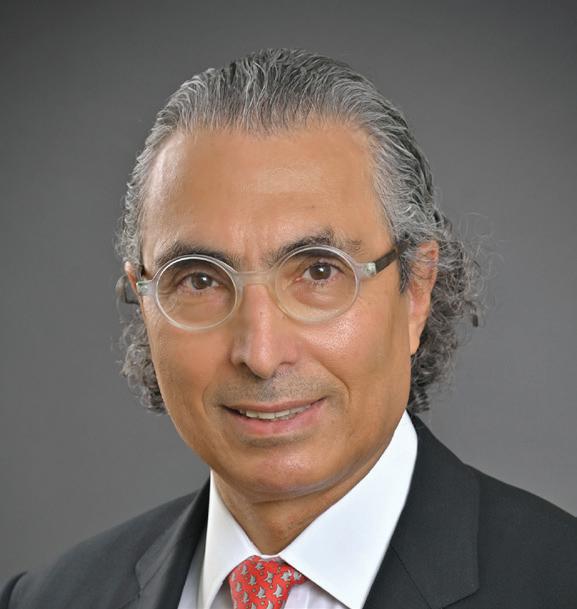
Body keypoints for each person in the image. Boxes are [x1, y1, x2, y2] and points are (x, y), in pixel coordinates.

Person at [2, 48, 576, 609]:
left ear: (417, 290)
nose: (260, 352)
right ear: (144, 299)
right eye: (200, 280)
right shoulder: (47, 599)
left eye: (319, 272)